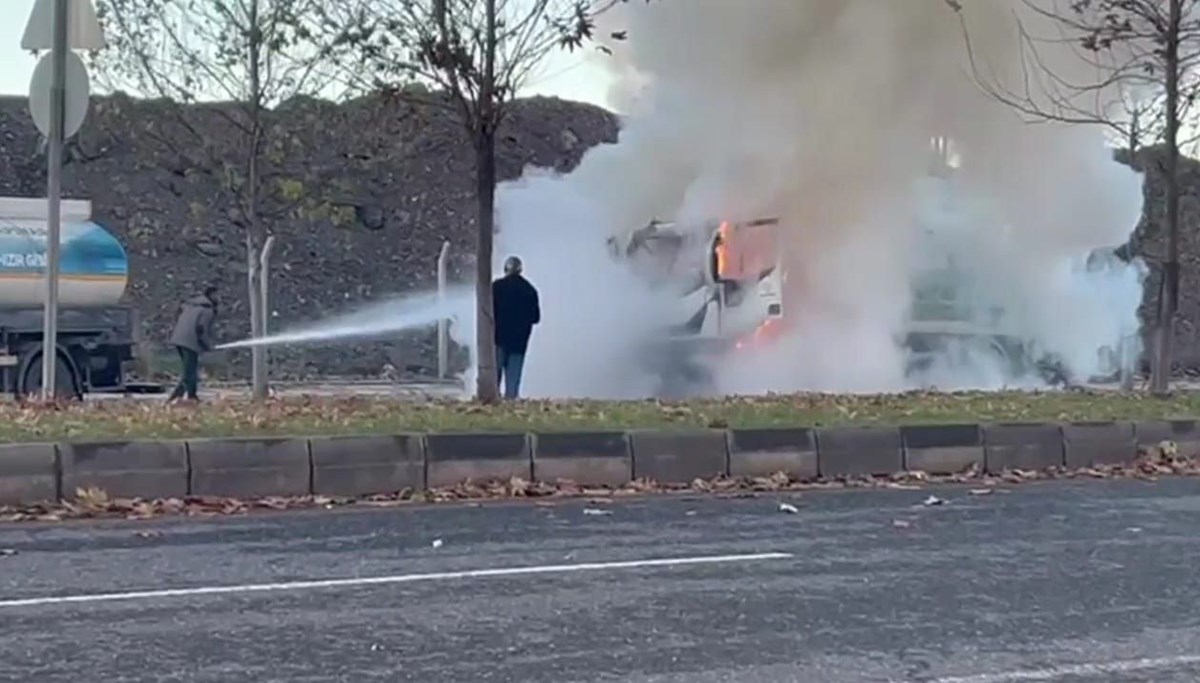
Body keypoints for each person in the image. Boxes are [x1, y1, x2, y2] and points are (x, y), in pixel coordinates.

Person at [492, 256, 540, 399]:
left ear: (505, 269)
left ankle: (492, 401)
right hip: (519, 343)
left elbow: (487, 313)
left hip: (497, 339)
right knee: (513, 381)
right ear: (520, 270)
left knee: (494, 376)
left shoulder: (496, 287)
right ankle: (510, 403)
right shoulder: (529, 290)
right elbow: (535, 318)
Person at [167, 285, 218, 403]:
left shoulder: (192, 305)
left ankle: (189, 396)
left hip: (178, 339)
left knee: (189, 370)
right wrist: (207, 345)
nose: (219, 298)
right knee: (190, 372)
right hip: (190, 341)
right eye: (217, 295)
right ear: (210, 295)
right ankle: (182, 397)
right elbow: (201, 329)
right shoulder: (207, 309)